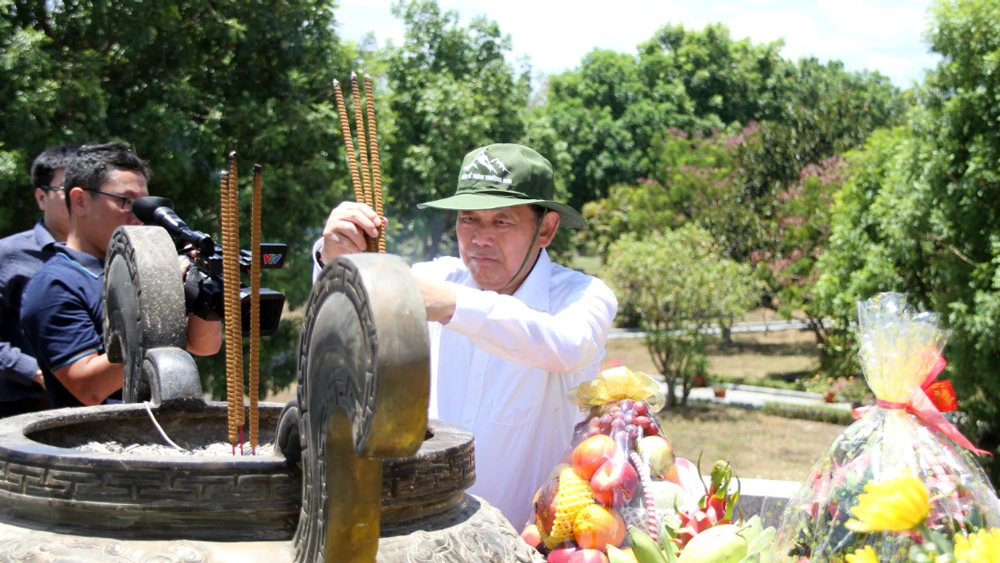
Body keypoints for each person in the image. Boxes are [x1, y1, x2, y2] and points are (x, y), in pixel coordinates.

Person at [313, 143, 618, 528]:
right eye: (469, 219)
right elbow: (348, 317)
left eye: (501, 222)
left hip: (529, 545)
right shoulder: (440, 278)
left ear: (546, 228)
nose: (480, 238)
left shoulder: (582, 295)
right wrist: (333, 256)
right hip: (427, 538)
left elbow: (566, 345)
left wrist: (454, 305)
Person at [20, 143, 222, 409]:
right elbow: (89, 387)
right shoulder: (54, 285)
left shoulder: (145, 269)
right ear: (80, 200)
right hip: (97, 443)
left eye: (143, 204)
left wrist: (202, 285)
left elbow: (204, 346)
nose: (139, 215)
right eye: (126, 201)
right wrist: (158, 303)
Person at [0, 145, 79, 418]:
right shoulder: (8, 254)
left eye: (86, 190)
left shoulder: (113, 255)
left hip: (99, 409)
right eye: (67, 189)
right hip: (19, 411)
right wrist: (35, 372)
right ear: (41, 197)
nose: (77, 199)